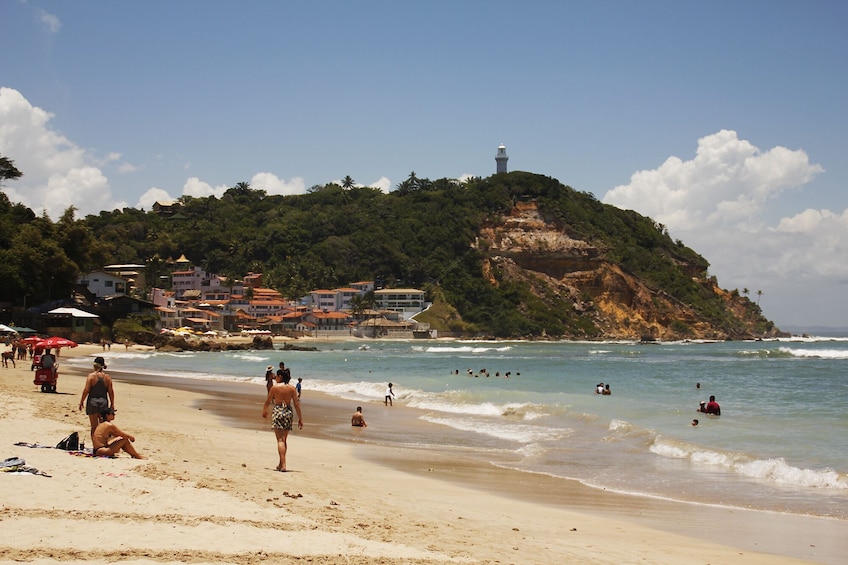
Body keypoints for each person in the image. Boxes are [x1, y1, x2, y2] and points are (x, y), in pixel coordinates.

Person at [262, 371, 303, 472]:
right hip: (288, 411)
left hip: (278, 411)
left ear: (281, 376)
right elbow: (296, 404)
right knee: (284, 440)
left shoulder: (275, 388)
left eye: (277, 376)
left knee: (280, 440)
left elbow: (268, 401)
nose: (275, 377)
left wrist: (264, 411)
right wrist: (300, 418)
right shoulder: (292, 388)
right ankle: (281, 463)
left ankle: (283, 465)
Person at [79, 356, 115, 444]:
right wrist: (112, 404)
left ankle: (95, 446)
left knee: (94, 427)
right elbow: (111, 392)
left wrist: (81, 401)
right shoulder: (107, 378)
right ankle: (103, 444)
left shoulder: (91, 376)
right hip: (103, 403)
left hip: (92, 403)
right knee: (103, 427)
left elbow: (86, 390)